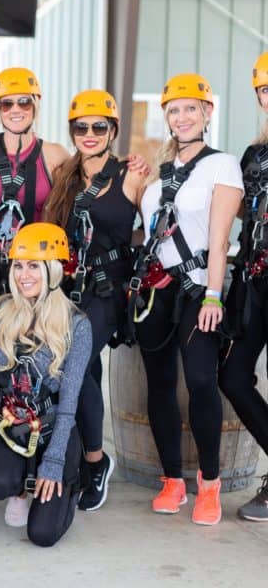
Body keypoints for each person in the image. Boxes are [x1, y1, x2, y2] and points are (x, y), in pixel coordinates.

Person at [131, 73, 243, 525]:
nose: (181, 117)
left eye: (190, 109)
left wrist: (214, 296)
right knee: (158, 384)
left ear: (207, 113)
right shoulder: (159, 173)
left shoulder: (223, 165)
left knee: (199, 380)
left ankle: (209, 485)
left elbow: (218, 242)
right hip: (157, 292)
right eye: (173, 110)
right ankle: (172, 479)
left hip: (199, 288)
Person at [0, 223, 91, 547]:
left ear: (53, 271)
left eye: (33, 266)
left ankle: (70, 486)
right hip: (12, 424)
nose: (23, 275)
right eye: (18, 266)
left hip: (56, 427)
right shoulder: (1, 309)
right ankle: (19, 488)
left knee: (42, 535)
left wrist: (54, 461)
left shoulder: (77, 324)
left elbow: (70, 402)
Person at [42, 90, 145, 511]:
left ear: (113, 130)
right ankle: (82, 456)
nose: (89, 133)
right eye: (81, 127)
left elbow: (156, 224)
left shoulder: (132, 175)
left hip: (109, 291)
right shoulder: (63, 174)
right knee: (80, 369)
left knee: (77, 365)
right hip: (69, 291)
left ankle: (96, 461)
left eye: (99, 126)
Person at [0, 66, 70, 316]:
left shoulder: (53, 154)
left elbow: (91, 176)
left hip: (33, 270)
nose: (15, 110)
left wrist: (129, 163)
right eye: (6, 104)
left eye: (24, 102)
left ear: (36, 105)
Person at [219, 51, 268, 521]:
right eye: (267, 90)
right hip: (253, 281)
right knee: (232, 377)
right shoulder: (252, 156)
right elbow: (234, 210)